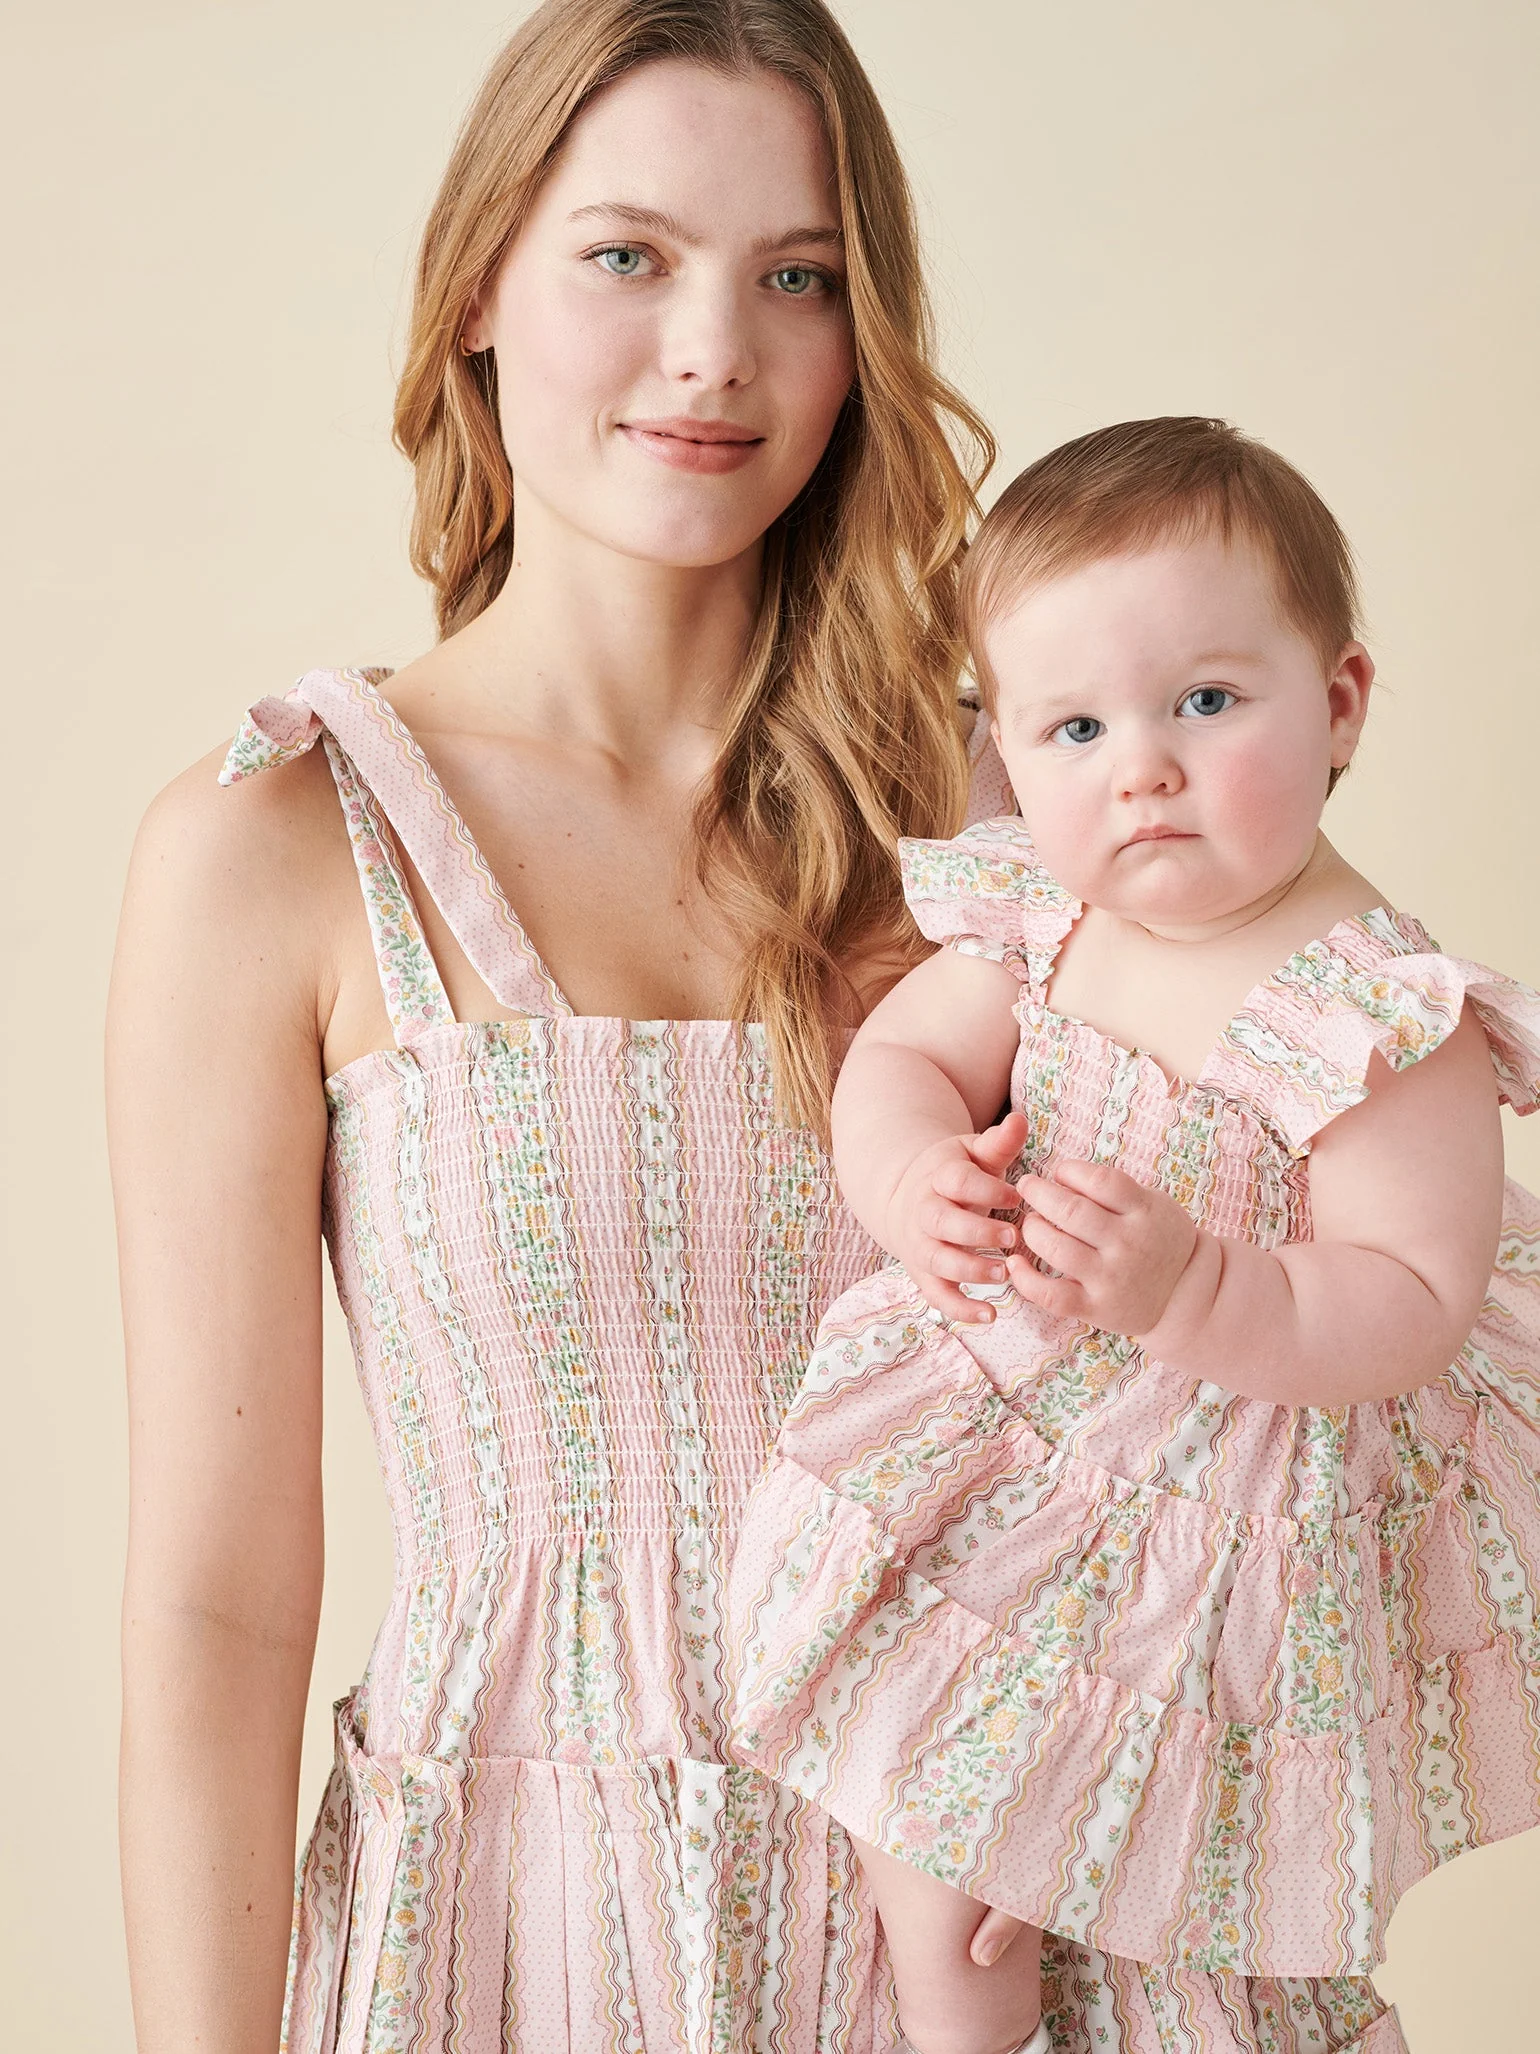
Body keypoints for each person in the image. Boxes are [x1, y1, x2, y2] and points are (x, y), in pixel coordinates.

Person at [107, 3, 1020, 2049]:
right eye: (629, 256)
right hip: (518, 1947)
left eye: (798, 277)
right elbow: (215, 1606)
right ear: (478, 295)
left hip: (993, 1902)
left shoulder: (1011, 818)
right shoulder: (280, 843)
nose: (713, 350)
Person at [726, 416, 1540, 2054]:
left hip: (1219, 1500)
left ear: (1341, 702)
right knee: (914, 1804)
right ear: (1010, 746)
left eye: (1207, 703)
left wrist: (1202, 1284)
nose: (1142, 768)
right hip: (1009, 1446)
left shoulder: (1381, 1016)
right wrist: (911, 1172)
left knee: (1170, 1868)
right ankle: (972, 2010)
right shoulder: (1049, 911)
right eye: (1077, 727)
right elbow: (901, 1059)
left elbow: (1409, 1294)